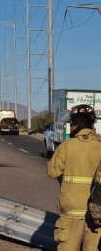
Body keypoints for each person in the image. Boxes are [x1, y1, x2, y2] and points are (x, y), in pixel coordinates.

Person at [48, 104, 101, 250]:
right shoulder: (100, 145)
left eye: (71, 124)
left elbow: (52, 172)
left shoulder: (66, 146)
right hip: (96, 215)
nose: (70, 127)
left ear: (76, 124)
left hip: (71, 215)